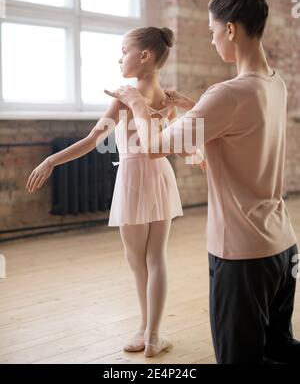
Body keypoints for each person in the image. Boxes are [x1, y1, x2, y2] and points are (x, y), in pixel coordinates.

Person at [105, 0, 300, 364]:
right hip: (282, 247)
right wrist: (193, 106)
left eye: (213, 32)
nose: (212, 41)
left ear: (230, 29)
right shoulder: (276, 85)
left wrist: (135, 104)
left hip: (241, 254)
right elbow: (230, 134)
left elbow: (156, 145)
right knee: (280, 349)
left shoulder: (226, 93)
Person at [26, 26, 203, 358]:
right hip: (161, 175)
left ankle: (148, 330)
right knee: (156, 257)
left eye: (124, 50)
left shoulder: (127, 99)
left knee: (137, 260)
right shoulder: (166, 99)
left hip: (135, 176)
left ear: (145, 56)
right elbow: (185, 133)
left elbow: (92, 142)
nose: (119, 57)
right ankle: (151, 333)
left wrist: (51, 160)